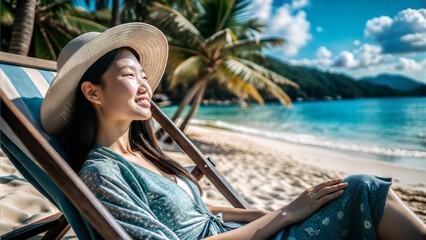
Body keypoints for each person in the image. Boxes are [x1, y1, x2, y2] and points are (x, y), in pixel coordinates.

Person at [40, 22, 426, 240]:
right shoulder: (101, 173)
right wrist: (283, 215)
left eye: (145, 76)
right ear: (92, 91)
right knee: (364, 189)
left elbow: (190, 210)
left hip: (242, 232)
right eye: (129, 76)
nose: (146, 86)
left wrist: (263, 212)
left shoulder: (142, 154)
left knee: (360, 189)